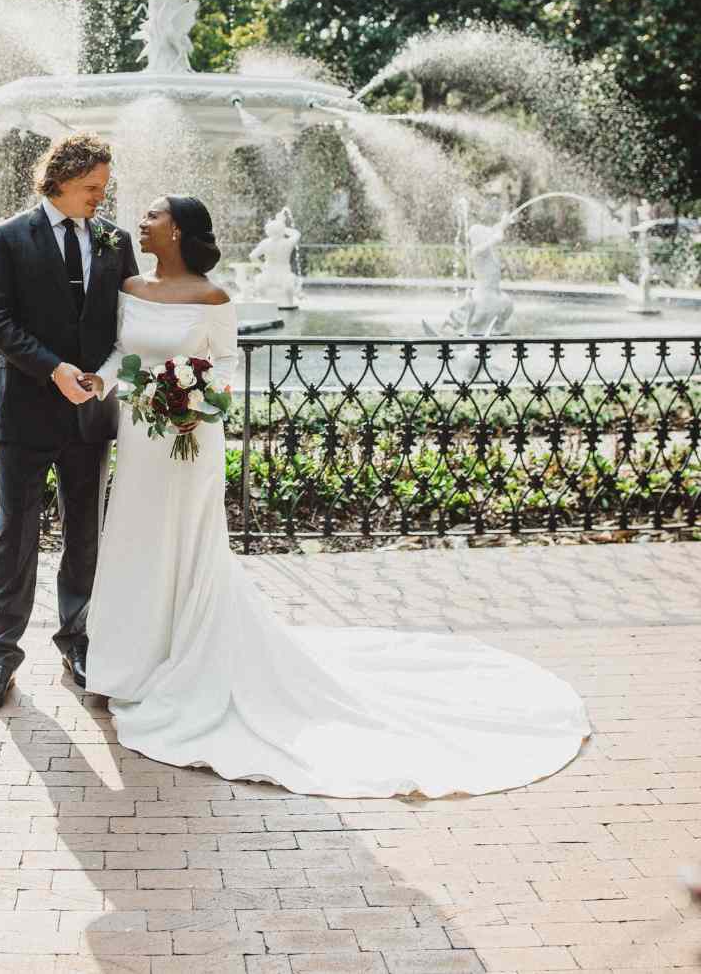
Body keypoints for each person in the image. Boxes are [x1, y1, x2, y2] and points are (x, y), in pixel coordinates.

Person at [82, 193, 591, 798]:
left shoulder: (215, 298)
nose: (144, 220)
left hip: (193, 437)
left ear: (180, 230)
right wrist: (100, 384)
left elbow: (223, 365)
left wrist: (197, 405)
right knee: (135, 538)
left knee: (187, 545)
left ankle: (183, 663)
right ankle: (126, 666)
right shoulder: (132, 289)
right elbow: (122, 353)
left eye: (156, 215)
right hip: (142, 436)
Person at [0, 133, 137, 712]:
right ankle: (0, 656)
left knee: (84, 537)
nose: (101, 196)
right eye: (92, 186)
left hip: (91, 415)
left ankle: (78, 642)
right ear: (61, 180)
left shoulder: (116, 241)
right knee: (14, 536)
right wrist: (54, 370)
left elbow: (130, 319)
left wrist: (108, 377)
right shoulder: (8, 237)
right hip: (25, 413)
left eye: (104, 186)